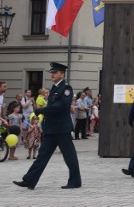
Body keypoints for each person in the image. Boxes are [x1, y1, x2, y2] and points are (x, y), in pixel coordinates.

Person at [13, 62, 82, 190]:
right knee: (42, 155)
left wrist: (44, 110)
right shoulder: (54, 88)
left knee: (69, 156)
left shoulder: (66, 88)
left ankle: (75, 181)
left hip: (61, 128)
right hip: (51, 128)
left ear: (62, 74)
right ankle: (30, 180)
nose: (53, 74)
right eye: (52, 72)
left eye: (55, 72)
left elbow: (63, 105)